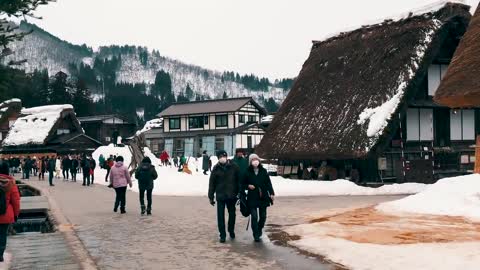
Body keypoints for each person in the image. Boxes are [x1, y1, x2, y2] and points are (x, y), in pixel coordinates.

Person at [208, 150, 240, 243]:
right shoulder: (216, 168)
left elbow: (239, 181)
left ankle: (231, 230)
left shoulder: (234, 167)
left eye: (224, 156)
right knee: (220, 216)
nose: (222, 158)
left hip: (231, 195)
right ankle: (222, 235)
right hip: (220, 195)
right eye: (220, 156)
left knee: (232, 214)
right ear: (218, 158)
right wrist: (211, 196)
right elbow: (212, 183)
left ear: (226, 157)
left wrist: (239, 193)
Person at [243, 154, 275, 242]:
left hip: (263, 196)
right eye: (253, 160)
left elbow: (268, 183)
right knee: (254, 216)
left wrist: (271, 193)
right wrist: (248, 186)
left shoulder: (263, 171)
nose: (255, 161)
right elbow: (242, 184)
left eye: (256, 159)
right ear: (250, 162)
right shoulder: (247, 171)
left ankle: (259, 228)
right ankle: (255, 233)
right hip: (252, 196)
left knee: (263, 216)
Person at [0, 174, 20, 262]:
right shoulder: (11, 183)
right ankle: (0, 254)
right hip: (5, 215)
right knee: (2, 234)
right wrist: (16, 214)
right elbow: (16, 201)